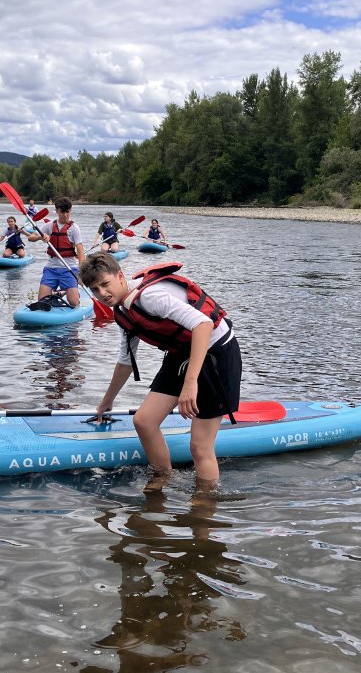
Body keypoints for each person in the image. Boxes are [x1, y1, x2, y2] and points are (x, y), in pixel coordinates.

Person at [79, 253, 242, 490]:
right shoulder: (122, 311)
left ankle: (204, 504)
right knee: (144, 421)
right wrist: (107, 401)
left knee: (199, 446)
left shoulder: (151, 297)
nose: (102, 293)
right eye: (95, 289)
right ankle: (162, 481)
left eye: (105, 284)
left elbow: (203, 324)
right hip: (182, 351)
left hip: (216, 352)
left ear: (120, 276)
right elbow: (126, 360)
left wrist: (190, 383)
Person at [27, 196, 87, 306]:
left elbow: (81, 252)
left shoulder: (74, 228)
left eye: (68, 212)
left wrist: (81, 274)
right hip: (51, 269)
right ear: (57, 211)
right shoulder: (50, 225)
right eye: (62, 212)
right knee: (42, 301)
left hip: (69, 269)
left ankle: (67, 292)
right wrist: (41, 237)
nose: (66, 215)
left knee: (73, 302)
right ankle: (59, 293)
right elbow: (30, 238)